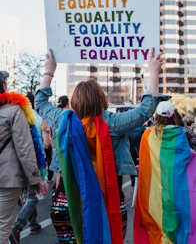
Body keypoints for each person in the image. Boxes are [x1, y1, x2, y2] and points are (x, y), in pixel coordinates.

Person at [35, 48, 167, 243]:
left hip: (67, 202)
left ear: (75, 101)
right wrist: (153, 72)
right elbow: (145, 110)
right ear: (102, 100)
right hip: (107, 205)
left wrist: (49, 70)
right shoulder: (112, 124)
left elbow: (39, 102)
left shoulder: (63, 120)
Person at [134, 101, 196, 244]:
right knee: (179, 216)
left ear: (157, 115)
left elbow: (144, 157)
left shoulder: (148, 134)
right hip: (179, 186)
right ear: (174, 115)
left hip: (156, 187)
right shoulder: (182, 132)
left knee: (160, 217)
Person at [0, 71, 46, 244]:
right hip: (7, 178)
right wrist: (36, 179)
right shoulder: (14, 110)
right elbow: (25, 149)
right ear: (4, 86)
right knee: (3, 230)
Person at [10, 93, 49, 243]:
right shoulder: (39, 118)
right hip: (34, 161)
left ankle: (33, 223)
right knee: (33, 196)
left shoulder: (16, 115)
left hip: (18, 162)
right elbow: (45, 144)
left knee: (29, 194)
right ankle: (17, 227)